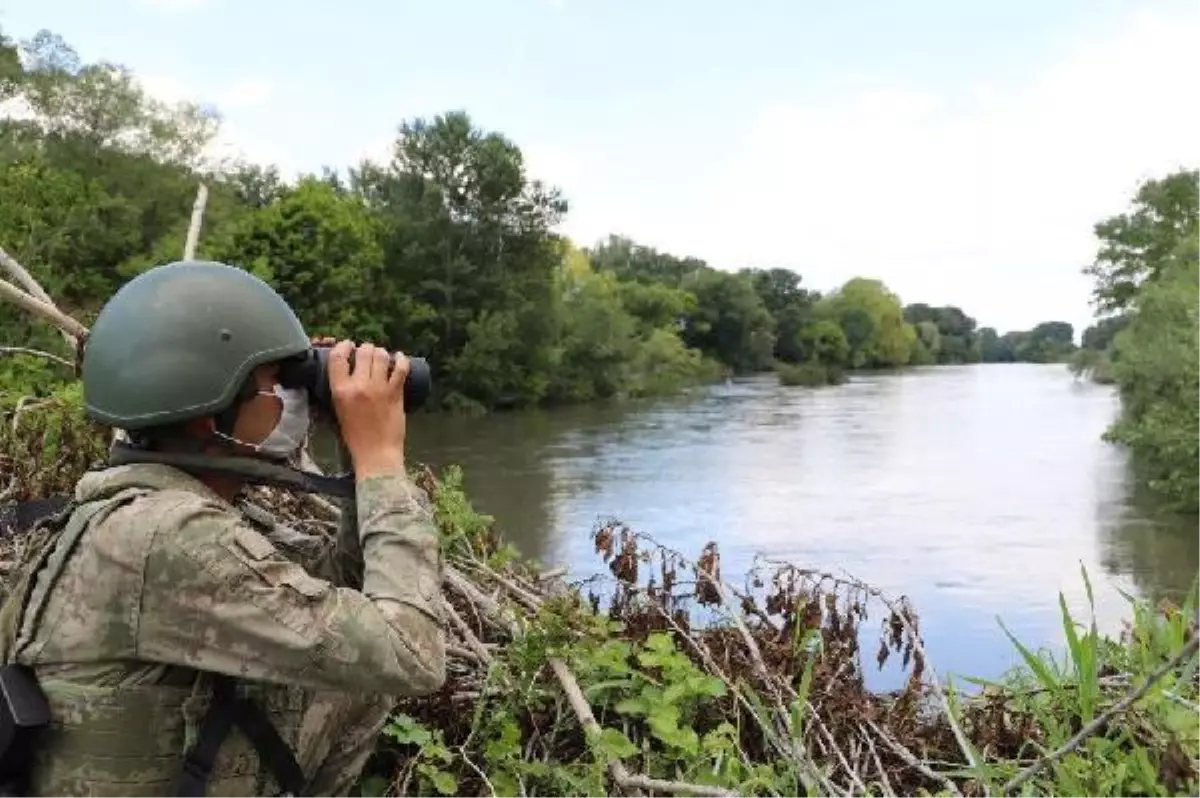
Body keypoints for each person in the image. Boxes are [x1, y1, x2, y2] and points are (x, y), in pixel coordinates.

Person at [0, 260, 447, 796]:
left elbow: (340, 595)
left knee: (354, 679)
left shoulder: (140, 509)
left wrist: (355, 449)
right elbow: (411, 653)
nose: (295, 398)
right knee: (366, 676)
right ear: (209, 414)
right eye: (279, 383)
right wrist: (382, 462)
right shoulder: (167, 536)